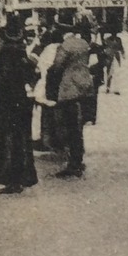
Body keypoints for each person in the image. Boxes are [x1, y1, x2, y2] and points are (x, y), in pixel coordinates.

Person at [0, 21, 40, 194]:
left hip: (3, 103)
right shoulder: (24, 57)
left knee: (4, 140)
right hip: (20, 102)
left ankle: (9, 179)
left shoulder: (0, 57)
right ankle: (21, 177)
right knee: (20, 140)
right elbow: (33, 76)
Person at [50, 21, 94, 177]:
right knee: (78, 126)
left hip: (69, 88)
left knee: (69, 126)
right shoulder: (83, 44)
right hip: (85, 84)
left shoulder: (65, 46)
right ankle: (78, 159)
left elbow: (57, 66)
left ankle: (73, 163)